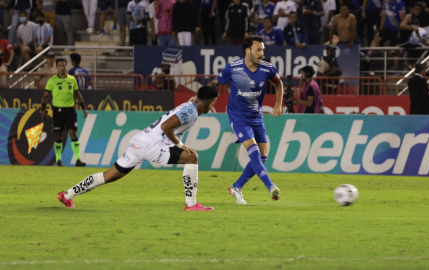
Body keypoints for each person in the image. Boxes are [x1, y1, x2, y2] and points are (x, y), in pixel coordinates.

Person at [56, 86, 219, 211]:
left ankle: (67, 195)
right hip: (151, 145)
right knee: (192, 157)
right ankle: (191, 204)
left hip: (139, 141)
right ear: (211, 104)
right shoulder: (191, 112)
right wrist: (180, 145)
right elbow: (166, 126)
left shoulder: (191, 105)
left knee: (108, 176)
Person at [207, 35, 283, 204]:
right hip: (238, 116)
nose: (261, 53)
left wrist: (278, 104)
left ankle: (237, 186)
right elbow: (216, 82)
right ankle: (270, 186)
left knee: (263, 158)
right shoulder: (233, 68)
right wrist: (201, 95)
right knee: (254, 152)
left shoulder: (267, 69)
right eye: (258, 50)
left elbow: (278, 83)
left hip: (256, 116)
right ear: (248, 51)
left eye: (263, 50)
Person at [40, 58, 88, 167]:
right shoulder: (52, 80)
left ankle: (78, 160)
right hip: (57, 111)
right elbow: (45, 96)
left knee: (73, 133)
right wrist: (43, 109)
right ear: (57, 67)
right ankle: (58, 160)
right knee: (58, 135)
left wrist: (84, 108)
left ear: (67, 66)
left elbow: (77, 94)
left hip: (70, 110)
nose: (62, 68)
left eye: (64, 65)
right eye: (60, 66)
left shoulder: (72, 79)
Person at [368, 0, 405, 69]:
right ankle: (368, 56)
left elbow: (402, 19)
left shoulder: (400, 3)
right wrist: (380, 29)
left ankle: (395, 67)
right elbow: (383, 17)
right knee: (376, 38)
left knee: (395, 49)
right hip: (387, 28)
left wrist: (400, 31)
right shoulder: (386, 3)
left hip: (396, 30)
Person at [398, 2, 429, 69]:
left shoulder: (417, 21)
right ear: (412, 9)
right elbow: (401, 25)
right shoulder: (408, 17)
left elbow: (418, 34)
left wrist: (424, 40)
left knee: (425, 47)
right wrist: (411, 27)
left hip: (411, 41)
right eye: (416, 9)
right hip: (405, 41)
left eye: (419, 9)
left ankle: (412, 65)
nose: (417, 11)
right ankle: (415, 65)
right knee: (423, 48)